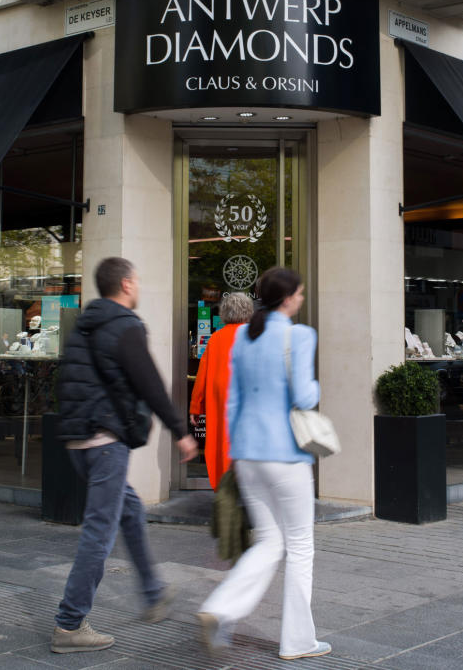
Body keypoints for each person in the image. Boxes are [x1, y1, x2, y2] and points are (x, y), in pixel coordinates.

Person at [50, 257, 198, 654]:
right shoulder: (125, 327)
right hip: (106, 442)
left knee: (129, 509)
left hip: (79, 442)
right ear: (127, 284)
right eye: (137, 280)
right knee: (99, 531)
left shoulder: (83, 326)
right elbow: (150, 383)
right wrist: (181, 432)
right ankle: (69, 623)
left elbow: (67, 382)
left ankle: (152, 591)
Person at [197, 267, 330, 661]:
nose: (302, 299)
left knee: (269, 541)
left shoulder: (243, 339)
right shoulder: (299, 335)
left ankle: (221, 608)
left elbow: (232, 401)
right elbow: (305, 398)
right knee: (300, 545)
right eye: (300, 294)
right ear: (287, 298)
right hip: (286, 455)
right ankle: (298, 641)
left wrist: (235, 452)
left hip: (248, 453)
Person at [190, 292, 254, 489]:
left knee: (221, 444)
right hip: (247, 402)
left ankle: (225, 487)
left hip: (220, 402)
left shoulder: (216, 338)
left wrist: (195, 407)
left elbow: (202, 376)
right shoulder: (254, 336)